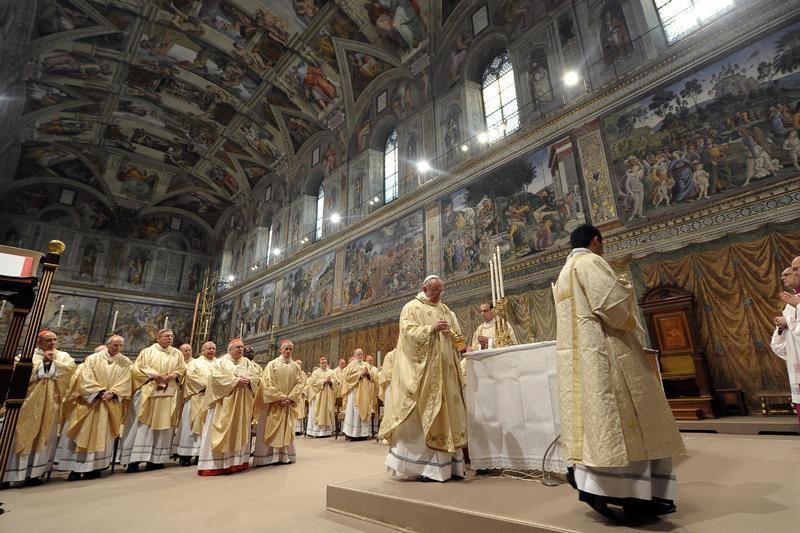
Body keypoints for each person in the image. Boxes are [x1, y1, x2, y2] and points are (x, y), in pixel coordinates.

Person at [554, 224, 685, 520]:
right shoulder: (590, 262)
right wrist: (625, 289)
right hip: (607, 353)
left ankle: (597, 489)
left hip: (582, 359)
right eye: (602, 243)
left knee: (598, 426)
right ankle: (637, 497)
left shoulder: (564, 272)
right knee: (626, 422)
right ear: (596, 241)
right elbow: (612, 308)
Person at [378, 275, 467, 482]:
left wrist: (457, 340)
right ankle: (426, 467)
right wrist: (430, 329)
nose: (438, 295)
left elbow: (456, 334)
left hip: (446, 372)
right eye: (435, 291)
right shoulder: (411, 307)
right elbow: (408, 334)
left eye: (440, 291)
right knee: (423, 418)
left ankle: (450, 466)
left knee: (447, 415)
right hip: (424, 373)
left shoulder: (445, 309)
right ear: (424, 288)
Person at [3, 330, 76, 486]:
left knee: (46, 435)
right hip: (28, 404)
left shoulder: (63, 357)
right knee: (21, 434)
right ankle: (9, 475)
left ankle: (35, 474)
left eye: (55, 340)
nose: (52, 343)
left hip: (51, 404)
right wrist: (42, 363)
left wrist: (53, 363)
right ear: (39, 342)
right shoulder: (27, 357)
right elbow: (18, 375)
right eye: (48, 340)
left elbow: (70, 370)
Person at [55, 335, 131, 481]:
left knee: (104, 433)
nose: (118, 348)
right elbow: (85, 378)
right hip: (90, 404)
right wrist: (100, 392)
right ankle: (76, 469)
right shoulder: (93, 359)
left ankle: (96, 468)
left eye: (121, 345)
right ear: (108, 344)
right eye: (115, 345)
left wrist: (114, 392)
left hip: (110, 404)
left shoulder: (125, 361)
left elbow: (126, 380)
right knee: (82, 434)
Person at [120, 329, 186, 472]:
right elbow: (137, 369)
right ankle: (134, 460)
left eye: (172, 336)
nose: (170, 338)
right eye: (167, 336)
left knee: (164, 426)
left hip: (168, 393)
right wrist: (154, 375)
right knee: (142, 425)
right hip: (149, 393)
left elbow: (182, 368)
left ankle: (156, 460)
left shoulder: (177, 353)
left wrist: (174, 374)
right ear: (158, 337)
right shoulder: (147, 352)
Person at [197, 339, 261, 476]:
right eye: (237, 347)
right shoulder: (221, 362)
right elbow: (215, 379)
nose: (240, 350)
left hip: (242, 405)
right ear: (229, 349)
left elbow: (257, 377)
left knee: (239, 430)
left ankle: (238, 462)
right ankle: (216, 464)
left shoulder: (247, 362)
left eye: (242, 347)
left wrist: (249, 380)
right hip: (224, 404)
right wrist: (236, 381)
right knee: (222, 429)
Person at [253, 340, 305, 466]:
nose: (288, 351)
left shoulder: (295, 367)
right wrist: (280, 397)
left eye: (290, 349)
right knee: (269, 428)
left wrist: (291, 397)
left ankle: (284, 456)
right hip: (274, 404)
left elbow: (300, 383)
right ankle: (266, 457)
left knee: (286, 429)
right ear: (280, 350)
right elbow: (267, 383)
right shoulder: (272, 364)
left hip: (287, 404)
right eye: (286, 349)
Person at [175, 341, 217, 466]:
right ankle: (186, 455)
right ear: (202, 350)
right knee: (190, 427)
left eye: (214, 348)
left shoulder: (219, 363)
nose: (212, 351)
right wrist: (210, 386)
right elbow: (192, 378)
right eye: (209, 348)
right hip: (197, 398)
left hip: (212, 400)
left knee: (207, 428)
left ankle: (201, 455)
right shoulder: (194, 363)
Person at [772, 262, 800, 422]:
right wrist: (782, 327)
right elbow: (783, 342)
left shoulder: (796, 301)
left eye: (793, 270)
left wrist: (788, 321)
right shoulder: (793, 300)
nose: (783, 278)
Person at [341, 348, 373, 440]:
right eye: (358, 354)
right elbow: (346, 378)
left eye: (361, 354)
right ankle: (353, 434)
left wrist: (367, 374)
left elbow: (373, 377)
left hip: (365, 391)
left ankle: (364, 434)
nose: (360, 356)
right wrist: (360, 374)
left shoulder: (366, 364)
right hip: (355, 392)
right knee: (355, 412)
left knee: (364, 409)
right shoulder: (351, 365)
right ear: (354, 355)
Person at [306, 357, 337, 437]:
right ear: (319, 364)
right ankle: (317, 432)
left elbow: (336, 382)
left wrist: (330, 382)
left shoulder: (331, 372)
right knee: (318, 412)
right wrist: (324, 381)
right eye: (322, 363)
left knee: (328, 412)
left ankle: (327, 432)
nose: (324, 364)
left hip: (328, 396)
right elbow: (313, 383)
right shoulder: (315, 372)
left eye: (325, 362)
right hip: (319, 397)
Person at [293, 358, 308, 435]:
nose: (299, 365)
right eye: (297, 363)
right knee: (294, 412)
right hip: (294, 396)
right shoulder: (292, 372)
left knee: (300, 413)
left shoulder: (303, 374)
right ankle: (293, 429)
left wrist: (303, 391)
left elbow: (306, 384)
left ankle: (299, 429)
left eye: (300, 364)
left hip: (301, 396)